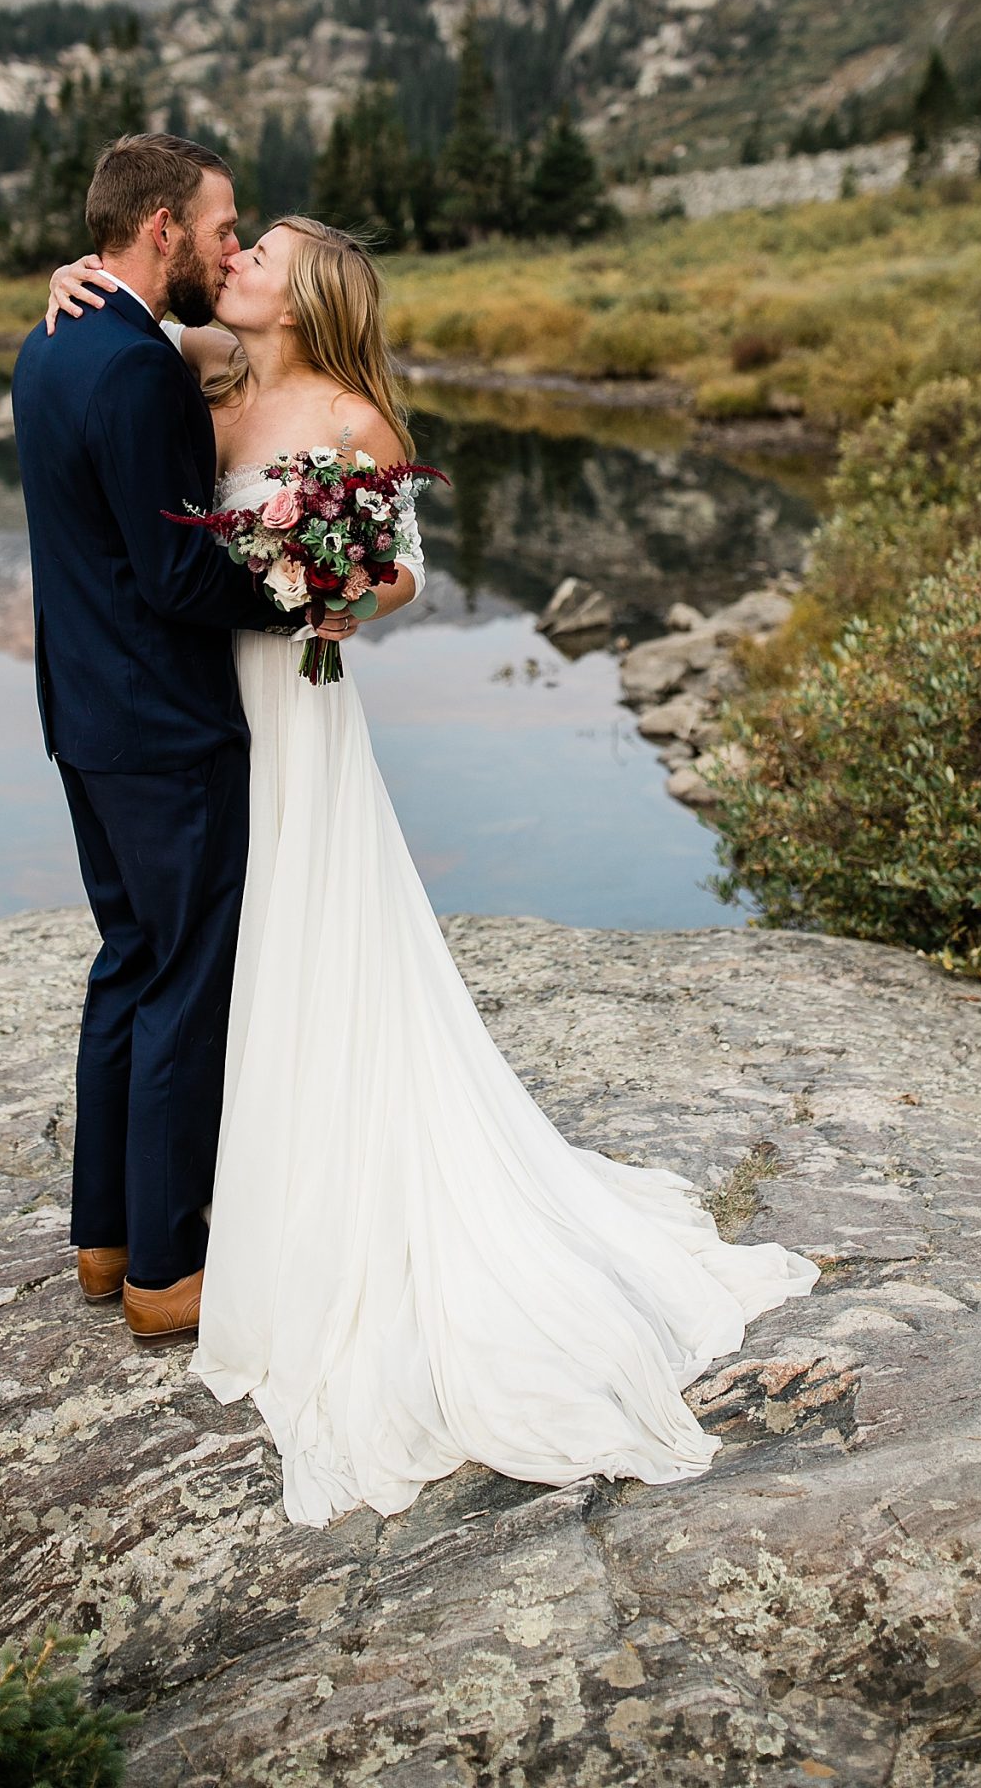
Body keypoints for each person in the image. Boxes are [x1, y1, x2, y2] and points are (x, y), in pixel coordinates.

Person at [44, 178, 818, 1527]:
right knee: (221, 953)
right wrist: (71, 273)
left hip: (291, 701)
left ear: (310, 291)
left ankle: (287, 1215)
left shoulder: (352, 416)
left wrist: (336, 589)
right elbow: (119, 321)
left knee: (299, 936)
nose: (236, 258)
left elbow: (397, 570)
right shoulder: (209, 379)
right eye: (230, 239)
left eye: (260, 251)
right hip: (200, 706)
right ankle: (210, 1206)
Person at [11, 134, 352, 1343]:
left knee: (126, 961)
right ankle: (167, 1269)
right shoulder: (143, 371)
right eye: (219, 223)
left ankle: (103, 1238)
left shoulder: (52, 340)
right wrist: (297, 592)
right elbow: (169, 571)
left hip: (85, 720)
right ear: (161, 229)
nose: (230, 239)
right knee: (184, 983)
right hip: (165, 725)